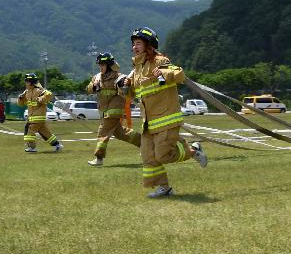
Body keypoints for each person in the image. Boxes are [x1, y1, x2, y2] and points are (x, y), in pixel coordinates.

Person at [122, 27, 206, 198]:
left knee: (163, 155)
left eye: (138, 43)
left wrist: (163, 73)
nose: (134, 47)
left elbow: (178, 74)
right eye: (133, 44)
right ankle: (164, 188)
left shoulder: (160, 61)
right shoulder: (137, 68)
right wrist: (124, 86)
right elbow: (135, 94)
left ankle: (193, 150)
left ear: (149, 45)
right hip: (148, 122)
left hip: (166, 118)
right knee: (147, 156)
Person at [86, 52, 141, 166]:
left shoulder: (118, 76)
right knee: (120, 133)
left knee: (103, 131)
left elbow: (123, 85)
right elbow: (89, 89)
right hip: (104, 111)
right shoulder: (97, 77)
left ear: (110, 66)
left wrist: (123, 84)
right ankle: (145, 143)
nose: (100, 67)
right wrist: (95, 86)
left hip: (114, 111)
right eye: (99, 65)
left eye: (103, 65)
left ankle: (99, 158)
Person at [17, 73, 63, 153]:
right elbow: (21, 104)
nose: (26, 83)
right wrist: (20, 98)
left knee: (28, 132)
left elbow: (49, 95)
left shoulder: (38, 90)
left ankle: (32, 148)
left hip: (36, 118)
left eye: (27, 81)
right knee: (45, 133)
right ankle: (57, 145)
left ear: (30, 82)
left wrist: (41, 99)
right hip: (36, 118)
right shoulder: (27, 92)